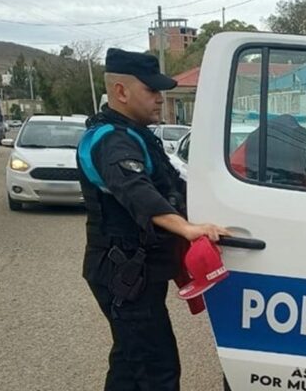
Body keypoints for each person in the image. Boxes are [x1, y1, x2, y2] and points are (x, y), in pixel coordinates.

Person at [77, 48, 229, 391]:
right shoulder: (112, 142)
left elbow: (173, 187)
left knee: (130, 363)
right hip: (124, 275)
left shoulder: (134, 135)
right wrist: (188, 229)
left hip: (133, 272)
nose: (161, 98)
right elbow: (135, 190)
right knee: (157, 369)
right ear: (121, 92)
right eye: (152, 90)